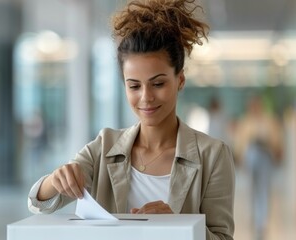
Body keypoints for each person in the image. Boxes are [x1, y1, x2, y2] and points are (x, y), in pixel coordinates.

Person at [27, 0, 235, 239]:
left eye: (158, 83)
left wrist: (178, 226)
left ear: (180, 80)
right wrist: (56, 179)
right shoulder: (104, 147)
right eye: (134, 86)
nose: (146, 97)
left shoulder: (213, 155)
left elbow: (222, 236)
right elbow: (38, 203)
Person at [234, 94, 283, 240]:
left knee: (263, 190)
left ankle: (261, 222)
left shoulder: (269, 120)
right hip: (251, 160)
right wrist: (240, 157)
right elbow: (240, 143)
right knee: (252, 191)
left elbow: (276, 141)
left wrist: (275, 151)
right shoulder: (245, 122)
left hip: (265, 159)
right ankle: (254, 218)